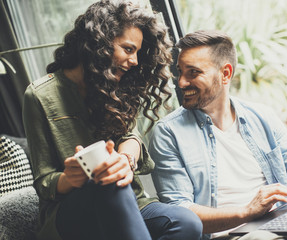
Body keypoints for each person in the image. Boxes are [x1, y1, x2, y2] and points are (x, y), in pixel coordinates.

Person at [22, 1, 202, 240]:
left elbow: (131, 136)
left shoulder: (117, 85)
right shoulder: (39, 95)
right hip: (71, 214)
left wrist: (125, 160)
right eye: (128, 49)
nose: (135, 61)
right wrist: (70, 178)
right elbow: (44, 182)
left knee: (187, 223)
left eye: (137, 52)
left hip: (130, 200)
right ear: (99, 43)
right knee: (106, 178)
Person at [148, 30, 287, 240]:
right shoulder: (168, 133)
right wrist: (247, 212)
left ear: (225, 74)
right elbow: (180, 210)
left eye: (193, 72)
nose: (182, 82)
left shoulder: (262, 116)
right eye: (180, 72)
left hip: (281, 223)